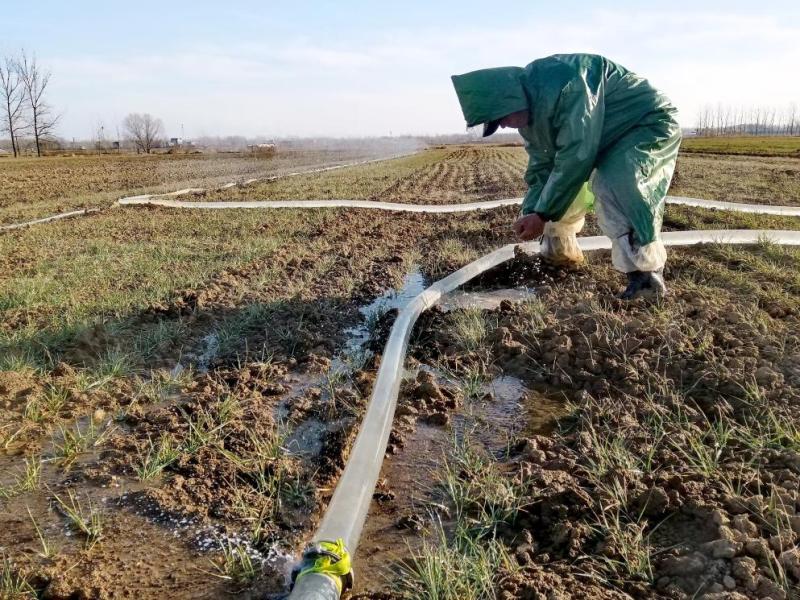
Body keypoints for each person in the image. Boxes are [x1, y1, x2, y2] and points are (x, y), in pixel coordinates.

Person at [451, 53, 681, 299]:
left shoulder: (566, 86)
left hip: (644, 125)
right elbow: (543, 165)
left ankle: (646, 278)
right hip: (604, 138)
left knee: (616, 185)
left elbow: (576, 155)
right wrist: (532, 210)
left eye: (501, 119)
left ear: (509, 101)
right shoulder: (530, 115)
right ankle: (560, 255)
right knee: (554, 193)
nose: (504, 126)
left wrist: (542, 214)